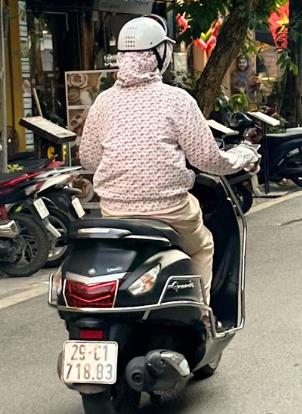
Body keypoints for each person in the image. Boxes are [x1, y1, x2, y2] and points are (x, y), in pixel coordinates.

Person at [78, 16, 258, 299]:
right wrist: (243, 155)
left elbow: (88, 160)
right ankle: (201, 310)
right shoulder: (177, 100)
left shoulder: (103, 102)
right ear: (159, 55)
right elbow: (208, 161)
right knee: (202, 246)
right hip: (170, 212)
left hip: (115, 214)